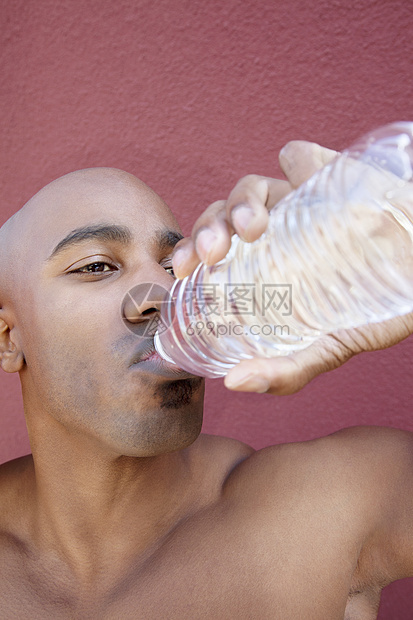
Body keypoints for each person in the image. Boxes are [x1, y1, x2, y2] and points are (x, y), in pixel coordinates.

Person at [0, 141, 412, 620]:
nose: (163, 296)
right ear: (8, 338)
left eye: (176, 266)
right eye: (96, 266)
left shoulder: (330, 503)